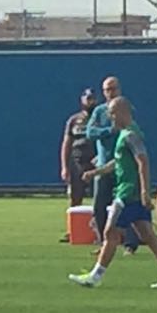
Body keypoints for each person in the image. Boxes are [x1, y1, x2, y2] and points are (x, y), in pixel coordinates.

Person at [68, 97, 157, 289]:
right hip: (131, 192)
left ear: (122, 112)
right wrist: (96, 172)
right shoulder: (124, 134)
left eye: (112, 113)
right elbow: (118, 163)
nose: (110, 117)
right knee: (147, 234)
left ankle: (95, 276)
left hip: (128, 192)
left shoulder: (130, 134)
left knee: (110, 232)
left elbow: (142, 161)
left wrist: (145, 191)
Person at [84, 75, 139, 252]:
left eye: (113, 89)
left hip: (122, 166)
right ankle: (103, 243)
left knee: (126, 205)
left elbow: (131, 131)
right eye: (107, 90)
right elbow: (90, 132)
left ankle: (130, 243)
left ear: (119, 89)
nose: (110, 92)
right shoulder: (99, 111)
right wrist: (108, 130)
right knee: (99, 207)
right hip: (103, 164)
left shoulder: (124, 108)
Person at [59, 88, 97, 242]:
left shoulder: (101, 118)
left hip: (95, 163)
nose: (90, 101)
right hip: (77, 162)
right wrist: (64, 167)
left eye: (92, 98)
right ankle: (72, 231)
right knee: (75, 197)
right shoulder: (74, 120)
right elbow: (66, 144)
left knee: (99, 197)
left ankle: (99, 230)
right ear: (82, 100)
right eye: (87, 98)